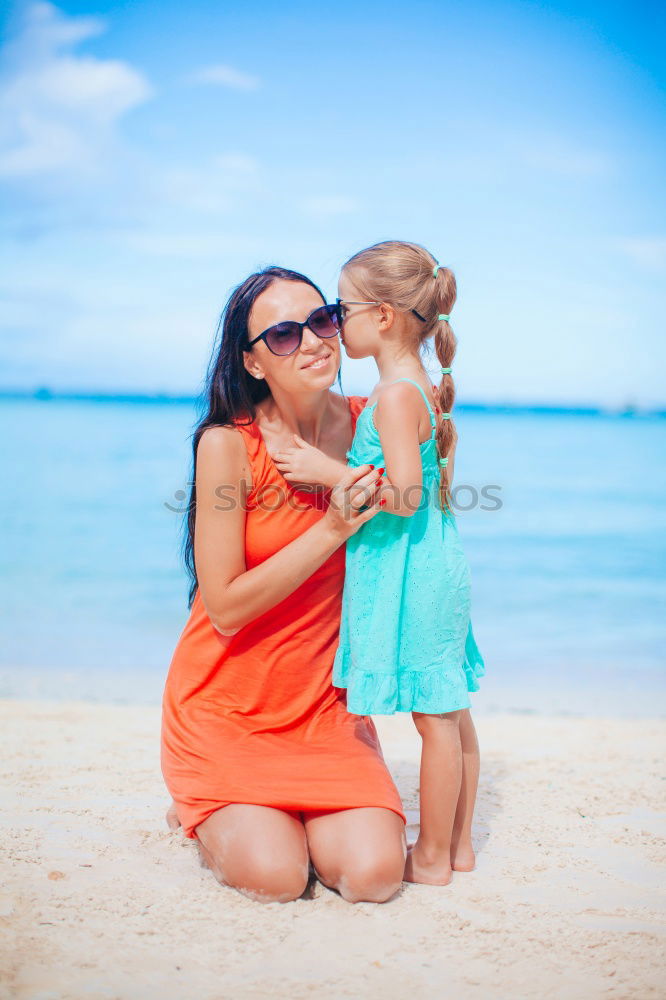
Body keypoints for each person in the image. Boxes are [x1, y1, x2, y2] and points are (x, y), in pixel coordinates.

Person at [161, 266, 407, 905]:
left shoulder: (371, 426)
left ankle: (272, 816)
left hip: (327, 712)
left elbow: (426, 508)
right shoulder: (227, 445)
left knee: (374, 877)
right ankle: (204, 807)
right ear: (252, 362)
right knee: (275, 878)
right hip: (228, 706)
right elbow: (224, 607)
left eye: (322, 320)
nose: (315, 341)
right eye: (284, 334)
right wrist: (331, 527)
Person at [274, 241, 485, 886]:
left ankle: (431, 856)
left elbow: (404, 495)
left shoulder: (394, 395)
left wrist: (325, 470)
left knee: (435, 719)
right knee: (451, 712)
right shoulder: (415, 385)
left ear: (385, 316)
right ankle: (460, 846)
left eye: (341, 308)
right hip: (434, 561)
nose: (335, 324)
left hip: (414, 572)